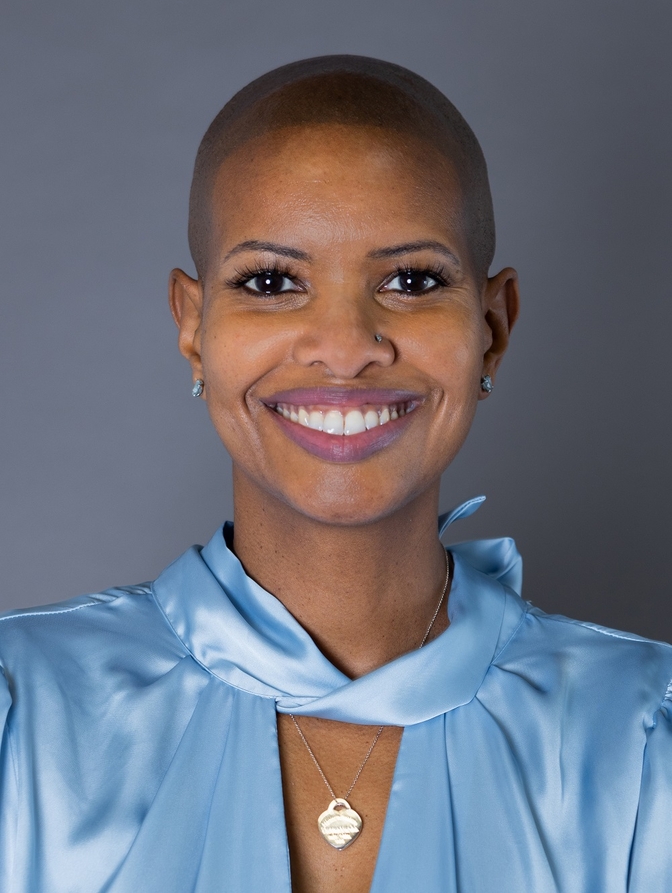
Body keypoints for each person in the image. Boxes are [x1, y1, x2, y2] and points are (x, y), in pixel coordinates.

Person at [0, 55, 670, 893]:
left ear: (492, 329)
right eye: (272, 281)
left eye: (411, 280)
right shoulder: (19, 715)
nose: (347, 348)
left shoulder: (645, 739)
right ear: (194, 328)